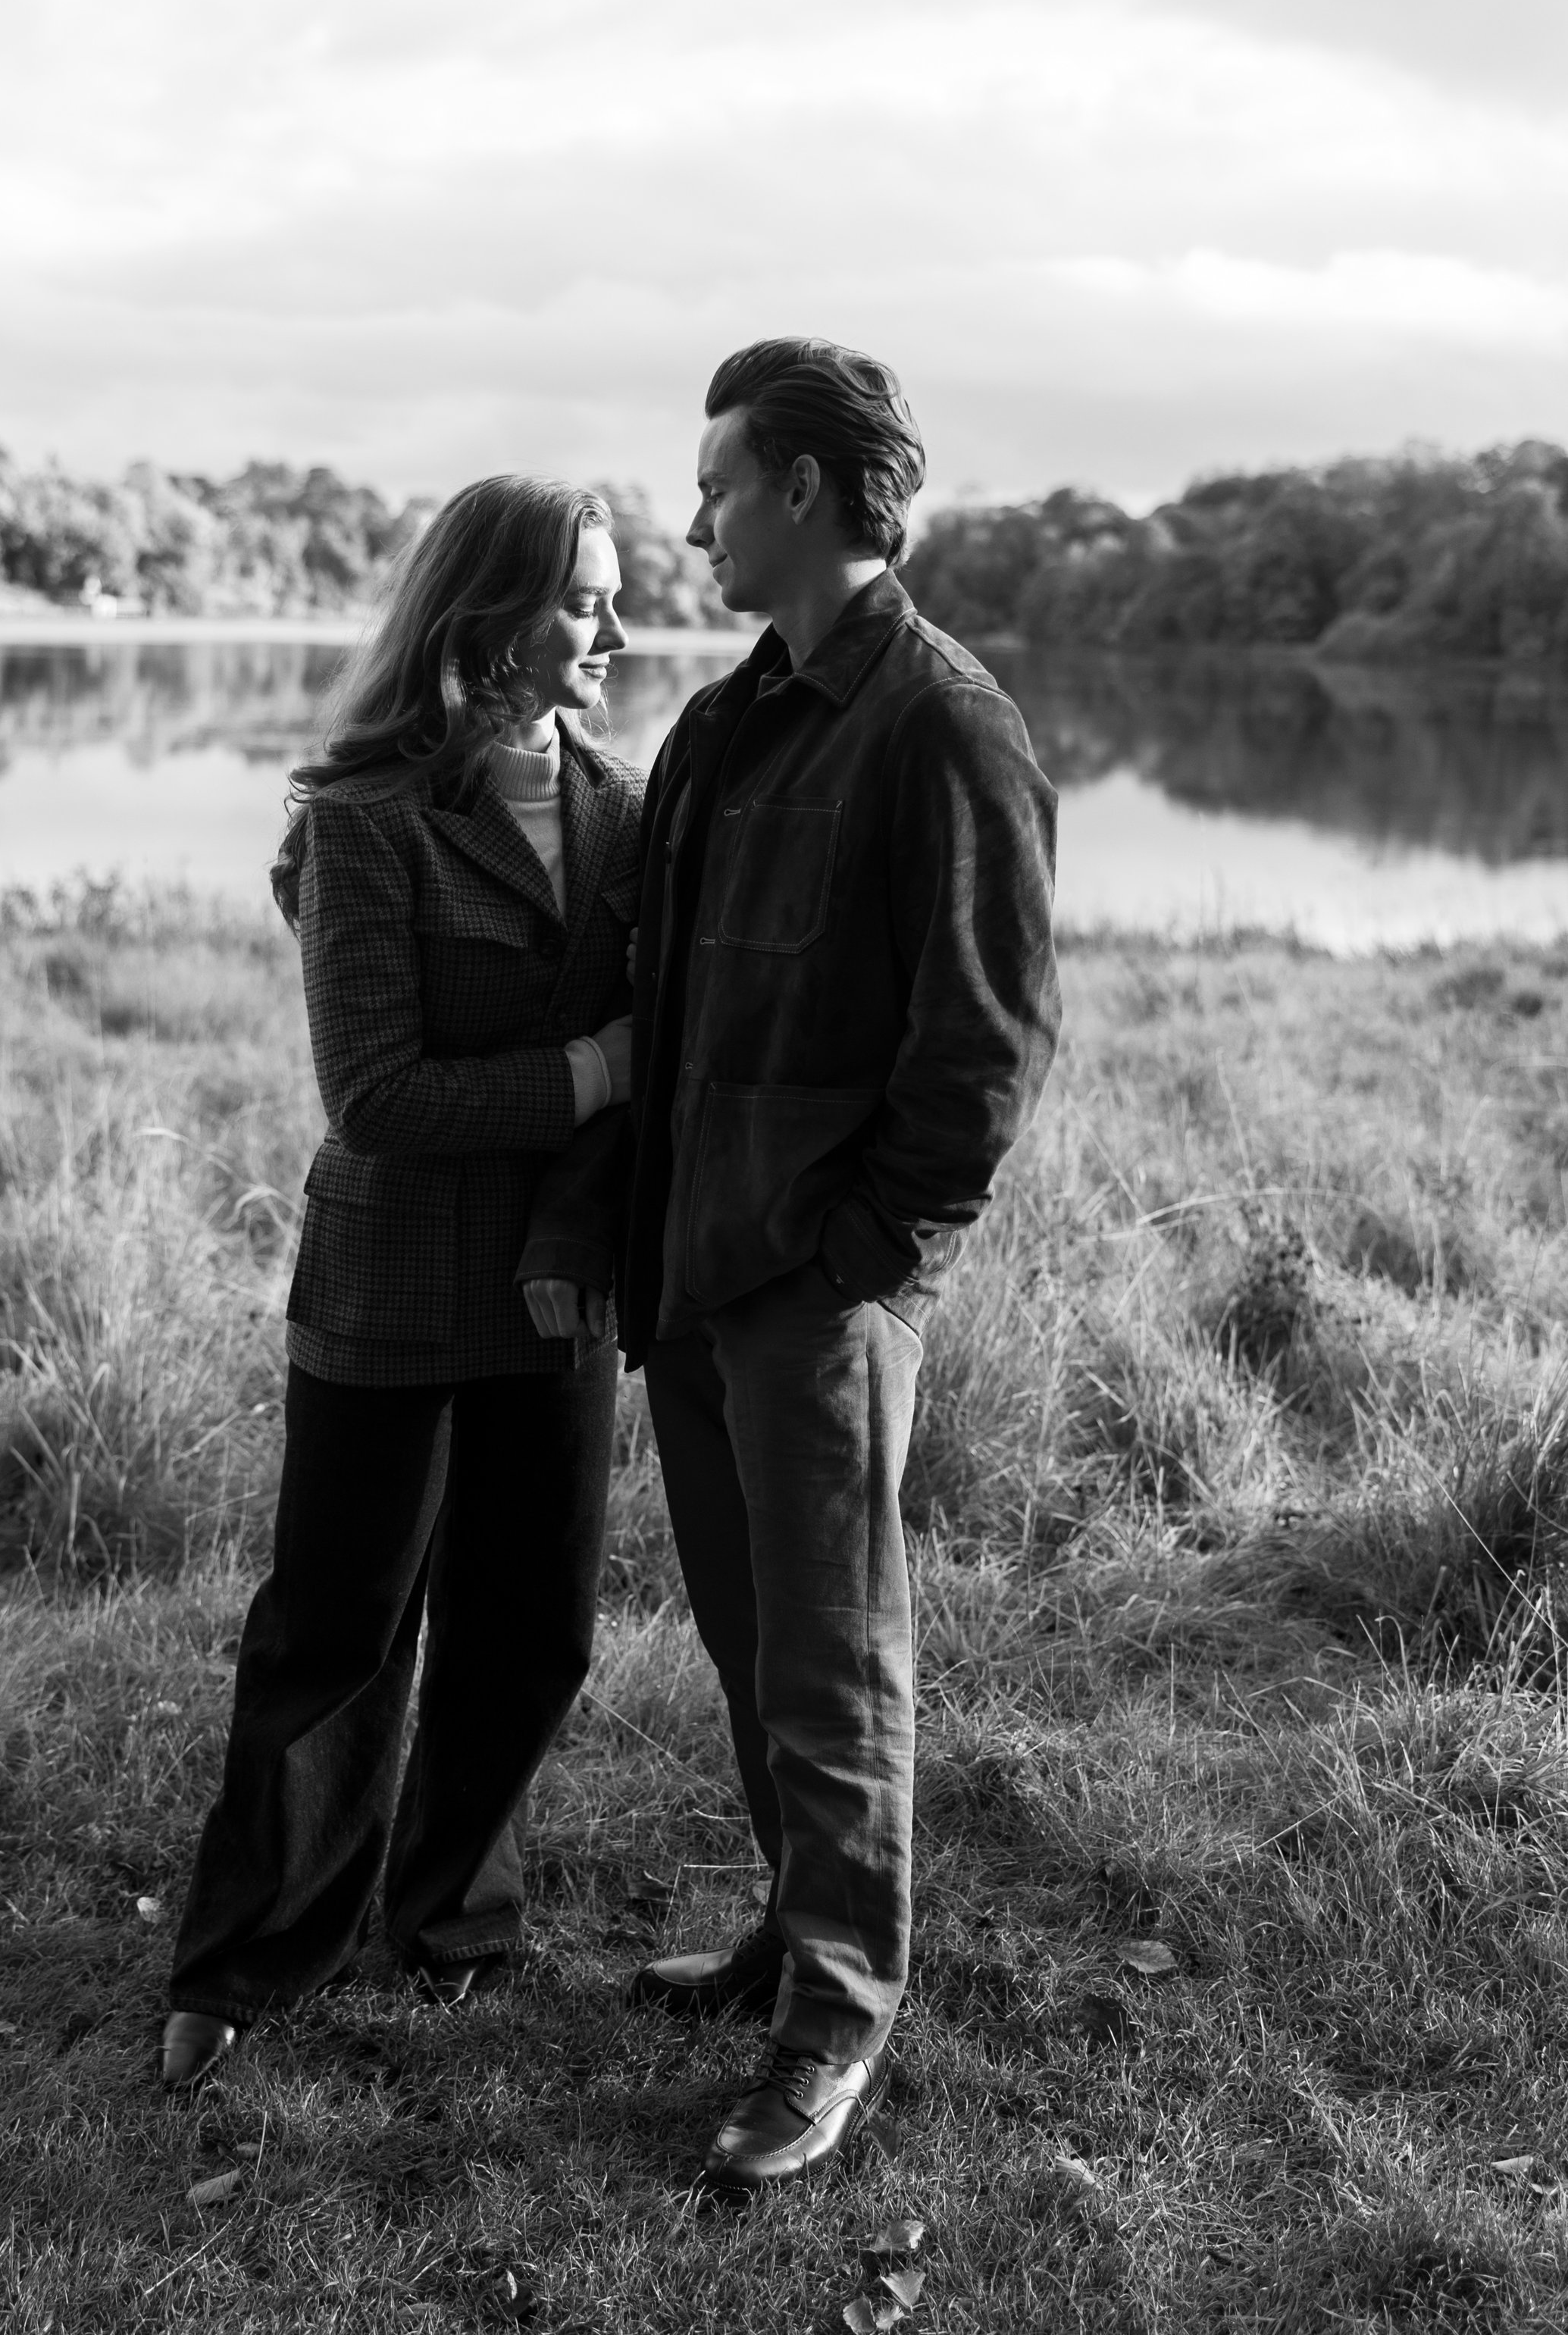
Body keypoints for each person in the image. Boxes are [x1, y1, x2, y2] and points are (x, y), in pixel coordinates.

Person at [523, 339, 1059, 2193]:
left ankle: (830, 2022)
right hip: (694, 1270)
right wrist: (611, 1233)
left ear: (807, 494)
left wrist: (862, 1269)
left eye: (718, 489)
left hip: (814, 1292)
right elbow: (656, 1013)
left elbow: (980, 1052)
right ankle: (782, 1928)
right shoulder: (731, 720)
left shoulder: (943, 723)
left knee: (832, 1668)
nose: (690, 525)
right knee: (754, 1651)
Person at [161, 476, 643, 2090]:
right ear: (485, 614)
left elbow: (657, 1074)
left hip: (554, 1296)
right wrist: (587, 1070)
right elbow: (374, 1095)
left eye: (612, 596)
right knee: (336, 1631)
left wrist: (584, 1200)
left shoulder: (627, 813)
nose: (612, 629)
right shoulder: (360, 822)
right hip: (386, 1283)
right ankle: (253, 1953)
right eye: (581, 598)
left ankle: (453, 1922)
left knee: (531, 1627)